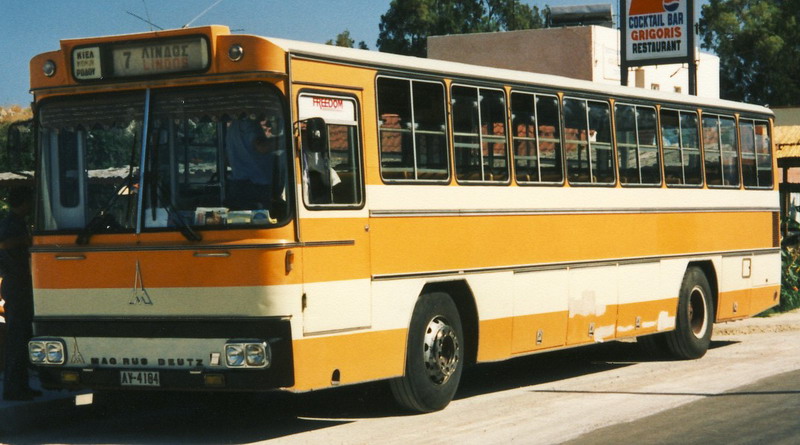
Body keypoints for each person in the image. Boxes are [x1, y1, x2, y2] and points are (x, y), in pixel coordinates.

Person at [1, 186, 40, 401]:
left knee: (23, 337)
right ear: (23, 202)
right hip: (16, 285)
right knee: (17, 338)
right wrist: (27, 242)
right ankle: (13, 389)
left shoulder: (18, 223)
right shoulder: (10, 225)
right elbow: (3, 244)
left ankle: (21, 387)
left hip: (21, 285)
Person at [225, 116, 284, 211]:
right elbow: (262, 147)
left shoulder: (233, 126)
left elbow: (228, 158)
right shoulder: (248, 124)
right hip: (256, 187)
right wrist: (287, 140)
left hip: (239, 185)